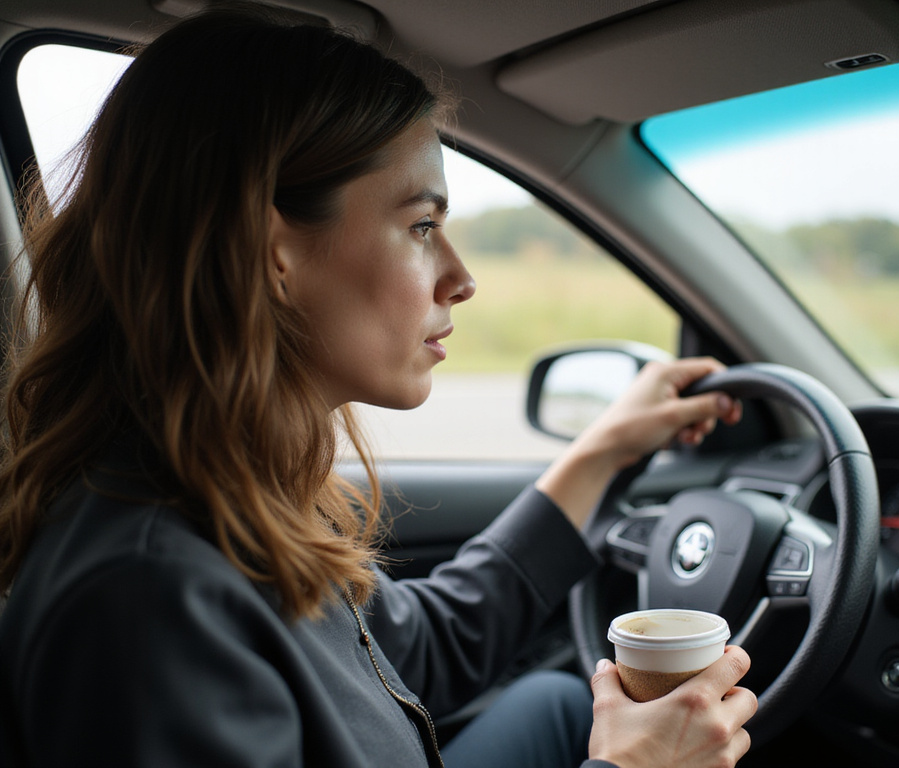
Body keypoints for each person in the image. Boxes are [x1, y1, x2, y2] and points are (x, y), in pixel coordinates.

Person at [0, 4, 756, 767]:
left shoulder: (223, 488)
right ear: (274, 253)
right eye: (422, 226)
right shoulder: (151, 599)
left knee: (556, 705)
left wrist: (601, 450)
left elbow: (409, 653)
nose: (462, 279)